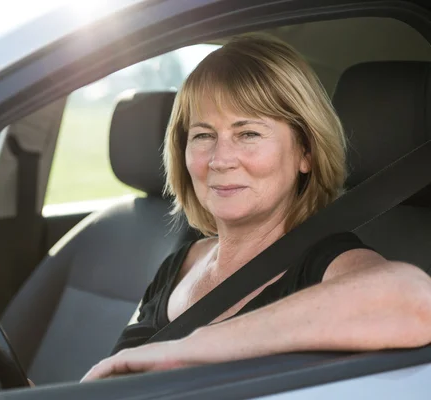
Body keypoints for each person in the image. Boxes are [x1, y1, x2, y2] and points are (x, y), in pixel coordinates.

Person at [80, 33, 431, 381]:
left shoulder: (324, 265)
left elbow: (415, 302)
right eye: (203, 135)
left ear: (305, 152)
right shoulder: (179, 265)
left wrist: (188, 349)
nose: (219, 160)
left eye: (248, 133)